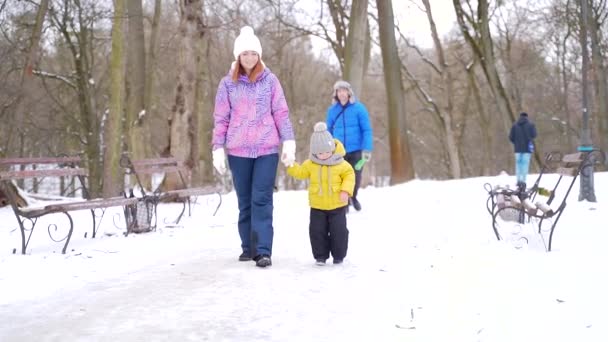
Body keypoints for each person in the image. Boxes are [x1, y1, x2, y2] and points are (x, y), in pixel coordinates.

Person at [211, 26, 296, 268]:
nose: (249, 57)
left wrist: (288, 140)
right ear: (238, 56)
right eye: (245, 53)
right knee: (245, 201)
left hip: (267, 149)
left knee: (262, 199)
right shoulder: (227, 84)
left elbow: (281, 112)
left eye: (253, 53)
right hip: (238, 151)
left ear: (259, 55)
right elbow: (221, 118)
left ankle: (263, 250)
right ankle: (248, 247)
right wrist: (217, 147)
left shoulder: (270, 81)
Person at [286, 122, 355, 265]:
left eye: (326, 152)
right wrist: (290, 164)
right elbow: (300, 173)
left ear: (332, 148)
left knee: (339, 232)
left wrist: (345, 190)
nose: (323, 155)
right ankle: (320, 256)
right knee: (317, 232)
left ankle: (339, 255)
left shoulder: (341, 163)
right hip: (317, 206)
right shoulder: (310, 164)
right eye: (320, 153)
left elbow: (349, 175)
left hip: (337, 205)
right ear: (314, 152)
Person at [326, 80, 373, 211]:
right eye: (339, 91)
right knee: (341, 177)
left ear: (349, 92)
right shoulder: (332, 110)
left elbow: (367, 130)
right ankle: (345, 202)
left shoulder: (359, 108)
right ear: (336, 94)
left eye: (344, 90)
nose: (341, 93)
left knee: (355, 177)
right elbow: (328, 130)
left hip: (356, 150)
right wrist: (329, 147)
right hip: (339, 151)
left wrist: (367, 149)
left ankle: (354, 197)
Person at [509, 112, 537, 189]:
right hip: (527, 149)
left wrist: (516, 143)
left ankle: (518, 180)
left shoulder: (515, 125)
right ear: (526, 117)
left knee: (518, 165)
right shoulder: (531, 125)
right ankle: (523, 181)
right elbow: (534, 135)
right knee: (525, 165)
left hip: (517, 149)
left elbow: (511, 137)